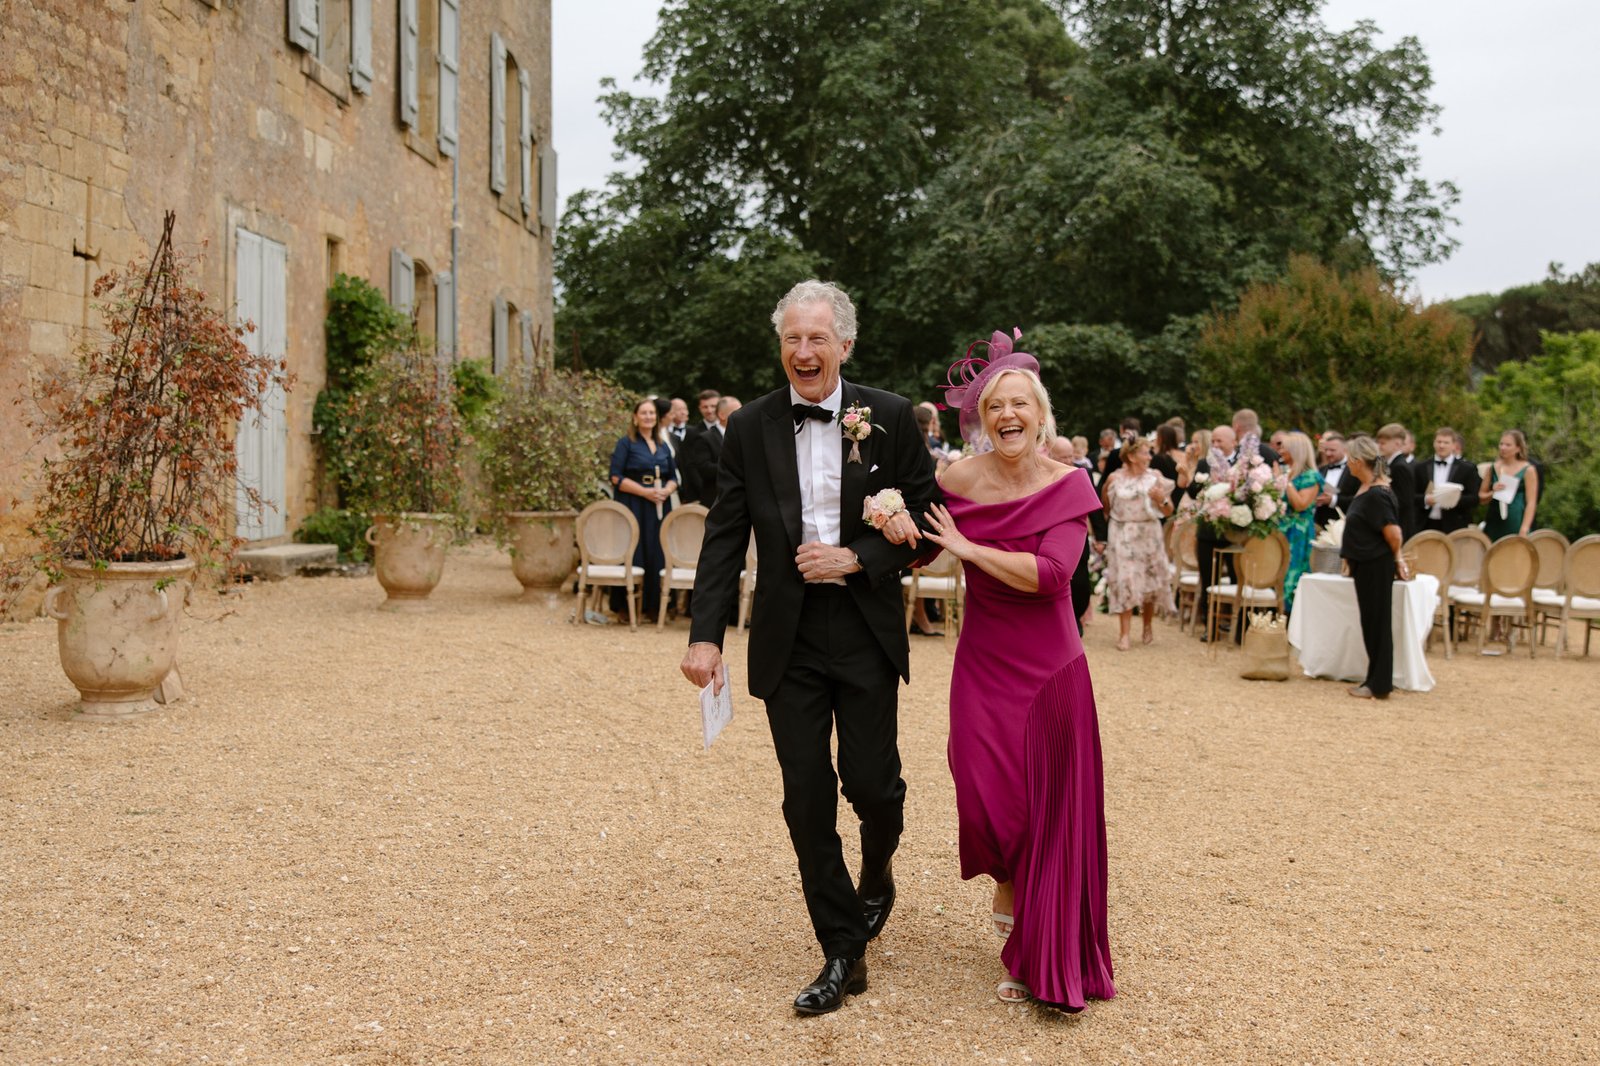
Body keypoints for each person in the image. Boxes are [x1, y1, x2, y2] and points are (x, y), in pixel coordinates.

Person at [679, 280, 939, 1016]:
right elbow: (725, 536)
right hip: (786, 638)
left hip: (865, 630)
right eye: (792, 339)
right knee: (806, 797)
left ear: (844, 345)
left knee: (873, 787)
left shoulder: (887, 416)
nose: (803, 351)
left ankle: (878, 870)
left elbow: (926, 517)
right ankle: (840, 948)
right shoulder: (750, 427)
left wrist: (859, 558)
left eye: (817, 338)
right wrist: (705, 634)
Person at [879, 332, 1114, 1012]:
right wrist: (894, 528)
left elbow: (1051, 577)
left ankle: (1030, 954)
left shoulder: (1069, 483)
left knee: (1044, 812)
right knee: (988, 800)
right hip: (982, 666)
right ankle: (1018, 925)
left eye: (1019, 403)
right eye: (994, 406)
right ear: (981, 420)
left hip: (1049, 671)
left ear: (1040, 416)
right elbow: (924, 549)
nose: (1007, 414)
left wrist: (968, 548)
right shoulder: (956, 481)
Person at [1340, 435, 1409, 699]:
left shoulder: (1378, 494)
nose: (1347, 465)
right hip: (1364, 564)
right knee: (1371, 622)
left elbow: (1393, 533)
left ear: (1358, 462)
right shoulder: (1368, 489)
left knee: (1378, 622)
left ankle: (1379, 683)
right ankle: (1374, 678)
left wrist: (1399, 559)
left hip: (1375, 565)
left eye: (1349, 461)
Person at [1101, 436, 1176, 650]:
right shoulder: (1115, 479)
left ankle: (1147, 626)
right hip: (1122, 532)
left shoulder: (1155, 478)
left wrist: (1161, 498)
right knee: (1125, 580)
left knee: (1149, 581)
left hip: (1148, 533)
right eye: (1145, 452)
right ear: (1132, 456)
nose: (1149, 457)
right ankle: (1124, 633)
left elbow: (1169, 511)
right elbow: (1106, 506)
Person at [608, 398, 679, 621]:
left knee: (657, 551)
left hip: (660, 503)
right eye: (644, 413)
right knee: (635, 550)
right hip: (634, 503)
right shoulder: (626, 443)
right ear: (635, 417)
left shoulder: (662, 444)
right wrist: (644, 491)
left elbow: (674, 477)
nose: (648, 417)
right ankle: (625, 609)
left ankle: (654, 607)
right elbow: (615, 477)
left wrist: (666, 490)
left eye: (651, 413)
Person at [1277, 431, 1320, 614]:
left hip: (1298, 532)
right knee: (1278, 571)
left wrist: (1286, 482)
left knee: (1292, 573)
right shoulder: (1286, 473)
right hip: (1281, 529)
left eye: (1284, 447)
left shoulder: (1310, 476)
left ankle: (1290, 616)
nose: (1280, 451)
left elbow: (1301, 504)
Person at [679, 395, 740, 507]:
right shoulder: (705, 438)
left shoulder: (742, 436)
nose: (742, 415)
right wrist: (734, 465)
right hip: (715, 499)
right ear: (722, 415)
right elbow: (704, 468)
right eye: (737, 412)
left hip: (739, 498)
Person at [1480, 429, 1539, 540]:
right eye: (1501, 444)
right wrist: (1493, 492)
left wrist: (1524, 528)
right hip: (1494, 519)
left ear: (1518, 448)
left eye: (1508, 445)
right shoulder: (1492, 468)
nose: (1503, 448)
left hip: (1516, 519)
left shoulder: (1528, 470)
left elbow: (1531, 502)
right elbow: (1481, 497)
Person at [1420, 426, 1481, 533]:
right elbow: (1411, 495)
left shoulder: (1467, 469)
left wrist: (1452, 500)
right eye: (1439, 442)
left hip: (1454, 524)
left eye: (1446, 442)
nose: (1441, 445)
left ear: (1454, 445)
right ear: (1434, 443)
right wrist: (1425, 499)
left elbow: (1474, 498)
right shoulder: (1421, 467)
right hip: (1425, 524)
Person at [1376, 423, 1418, 542]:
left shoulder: (1400, 467)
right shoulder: (1389, 464)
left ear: (1397, 444)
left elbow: (1404, 500)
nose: (1379, 446)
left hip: (1400, 525)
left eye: (1383, 443)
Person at [1314, 432, 1355, 530]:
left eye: (1332, 450)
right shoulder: (1320, 470)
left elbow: (1359, 499)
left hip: (1345, 525)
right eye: (1326, 450)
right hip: (1320, 524)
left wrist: (1333, 500)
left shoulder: (1354, 471)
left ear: (1344, 450)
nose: (1328, 453)